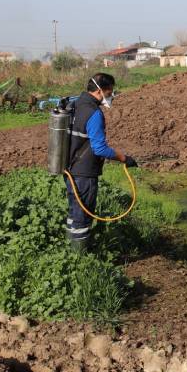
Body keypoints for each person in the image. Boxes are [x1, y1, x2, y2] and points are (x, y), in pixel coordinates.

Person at [64, 72, 136, 252]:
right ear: (100, 91)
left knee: (74, 212)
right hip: (84, 173)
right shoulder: (94, 113)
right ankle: (79, 257)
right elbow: (100, 149)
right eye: (110, 92)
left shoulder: (76, 104)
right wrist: (124, 158)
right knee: (82, 215)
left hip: (70, 170)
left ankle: (70, 249)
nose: (111, 96)